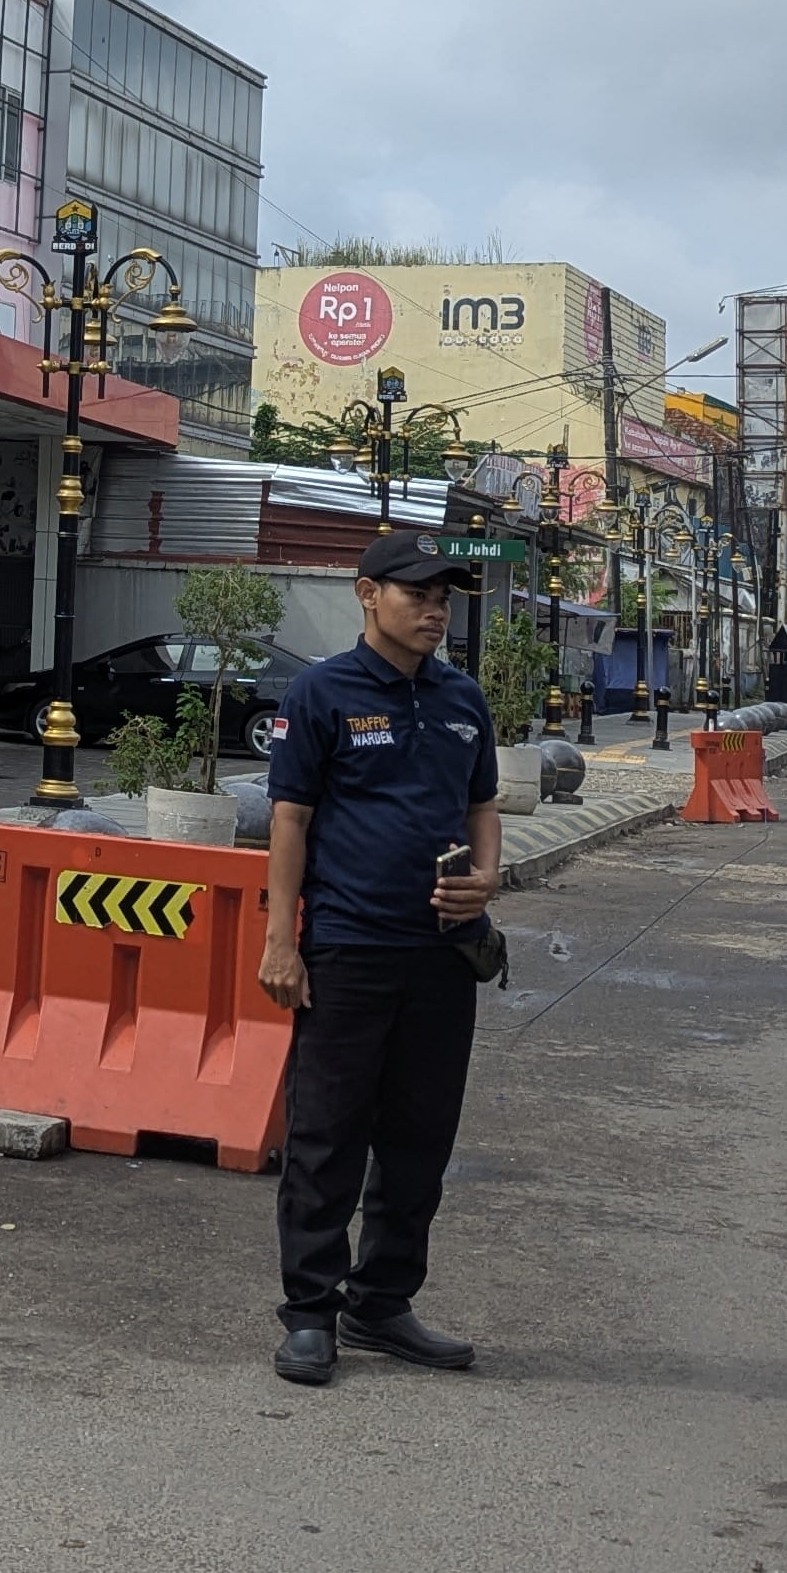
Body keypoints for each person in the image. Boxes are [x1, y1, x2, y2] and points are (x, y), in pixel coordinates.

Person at [257, 526, 502, 1387]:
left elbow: (482, 807)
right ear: (368, 595)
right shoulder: (322, 693)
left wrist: (486, 880)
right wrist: (282, 942)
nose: (435, 613)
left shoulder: (463, 699)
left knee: (419, 1140)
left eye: (443, 600)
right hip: (348, 949)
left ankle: (382, 1301)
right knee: (326, 1138)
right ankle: (310, 1313)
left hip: (442, 958)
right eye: (417, 596)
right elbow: (290, 819)